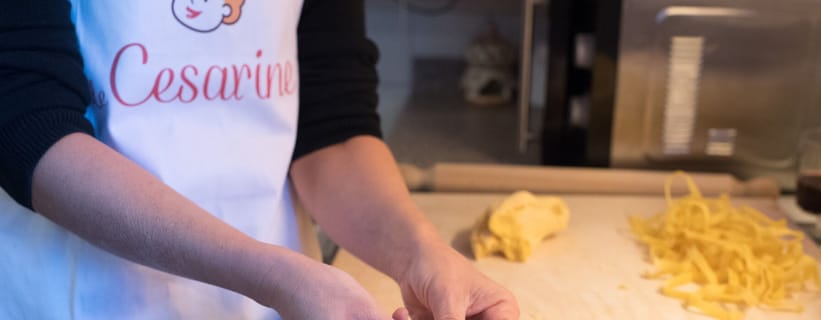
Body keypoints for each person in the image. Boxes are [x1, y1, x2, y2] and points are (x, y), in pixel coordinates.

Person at [0, 0, 519, 319]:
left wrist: (420, 255)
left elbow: (334, 131)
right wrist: (276, 277)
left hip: (277, 303)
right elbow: (30, 126)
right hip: (80, 301)